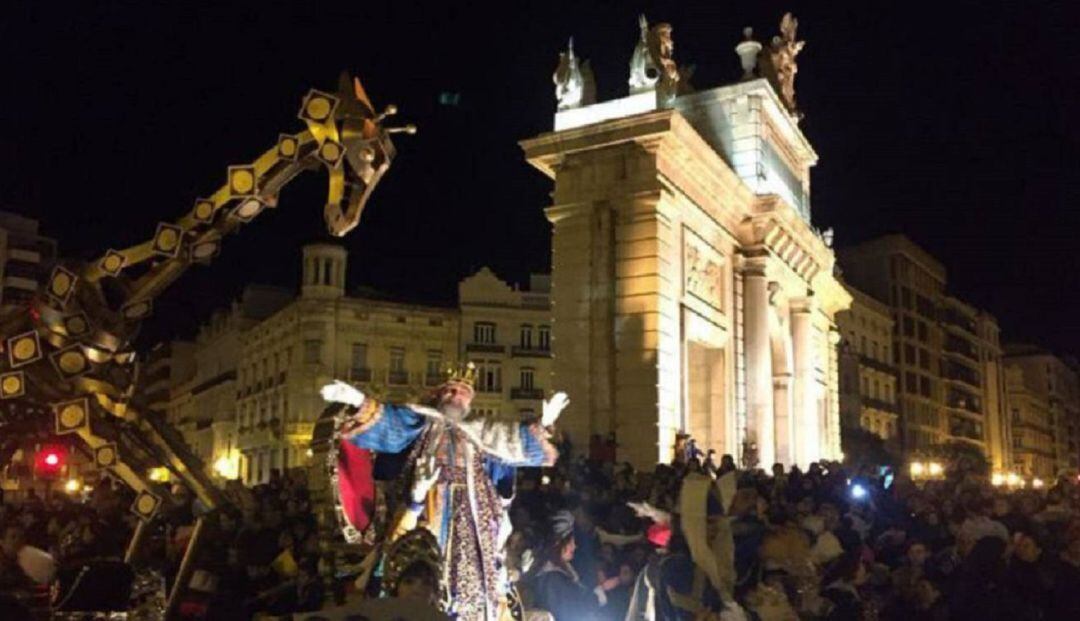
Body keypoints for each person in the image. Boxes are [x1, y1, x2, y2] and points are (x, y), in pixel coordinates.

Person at [321, 363, 568, 621]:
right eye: (450, 391)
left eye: (462, 392)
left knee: (479, 588)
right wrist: (358, 399)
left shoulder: (479, 431)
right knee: (422, 576)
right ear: (438, 395)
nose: (455, 397)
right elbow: (391, 423)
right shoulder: (422, 422)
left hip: (475, 521)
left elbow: (510, 439)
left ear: (470, 400)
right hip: (429, 509)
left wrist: (545, 422)